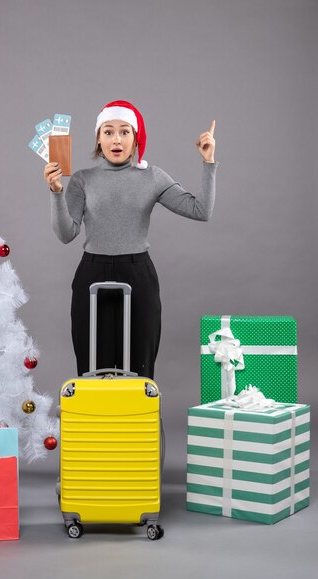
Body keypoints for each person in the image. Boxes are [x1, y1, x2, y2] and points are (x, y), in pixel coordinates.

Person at [44, 100, 216, 378]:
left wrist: (208, 163)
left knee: (140, 366)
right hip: (92, 272)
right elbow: (66, 234)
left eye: (125, 132)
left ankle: (137, 419)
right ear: (98, 139)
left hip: (138, 275)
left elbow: (201, 211)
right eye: (108, 131)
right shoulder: (81, 179)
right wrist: (55, 192)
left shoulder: (153, 177)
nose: (116, 139)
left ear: (136, 139)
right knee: (92, 368)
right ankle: (95, 420)